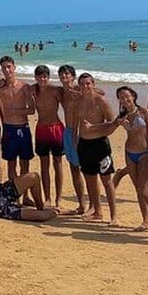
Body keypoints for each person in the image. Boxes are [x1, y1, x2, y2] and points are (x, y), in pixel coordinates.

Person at [96, 87, 148, 233]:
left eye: (127, 96)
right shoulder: (123, 116)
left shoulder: (144, 112)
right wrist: (94, 127)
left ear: (133, 96)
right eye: (120, 97)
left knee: (145, 190)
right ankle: (146, 221)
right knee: (138, 190)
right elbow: (109, 127)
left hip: (145, 153)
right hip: (130, 153)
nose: (124, 99)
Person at [72, 73, 119, 225]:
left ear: (93, 84)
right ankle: (97, 211)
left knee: (107, 181)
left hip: (100, 145)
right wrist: (74, 142)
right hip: (84, 145)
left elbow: (113, 123)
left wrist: (94, 128)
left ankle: (114, 216)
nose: (85, 87)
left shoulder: (101, 101)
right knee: (90, 180)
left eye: (88, 84)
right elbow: (75, 125)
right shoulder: (77, 102)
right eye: (82, 84)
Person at [0, 56, 35, 186]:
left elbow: (32, 110)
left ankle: (25, 196)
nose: (7, 70)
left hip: (23, 127)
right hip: (9, 129)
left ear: (14, 67)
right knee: (11, 164)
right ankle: (13, 196)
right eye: (4, 67)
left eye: (9, 66)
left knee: (25, 164)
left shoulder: (24, 87)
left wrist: (16, 111)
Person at [31, 65, 66, 209]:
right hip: (41, 129)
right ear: (36, 77)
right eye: (39, 76)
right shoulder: (33, 90)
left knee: (57, 164)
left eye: (44, 76)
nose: (42, 79)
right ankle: (47, 198)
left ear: (48, 77)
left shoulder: (55, 90)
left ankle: (58, 198)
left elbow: (70, 98)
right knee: (44, 165)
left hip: (56, 128)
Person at [57, 65, 87, 214]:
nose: (64, 77)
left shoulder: (79, 89)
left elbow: (100, 92)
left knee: (87, 170)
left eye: (67, 74)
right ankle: (81, 205)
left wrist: (82, 92)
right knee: (74, 169)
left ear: (73, 76)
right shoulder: (62, 92)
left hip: (79, 132)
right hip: (67, 132)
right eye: (62, 74)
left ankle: (93, 206)